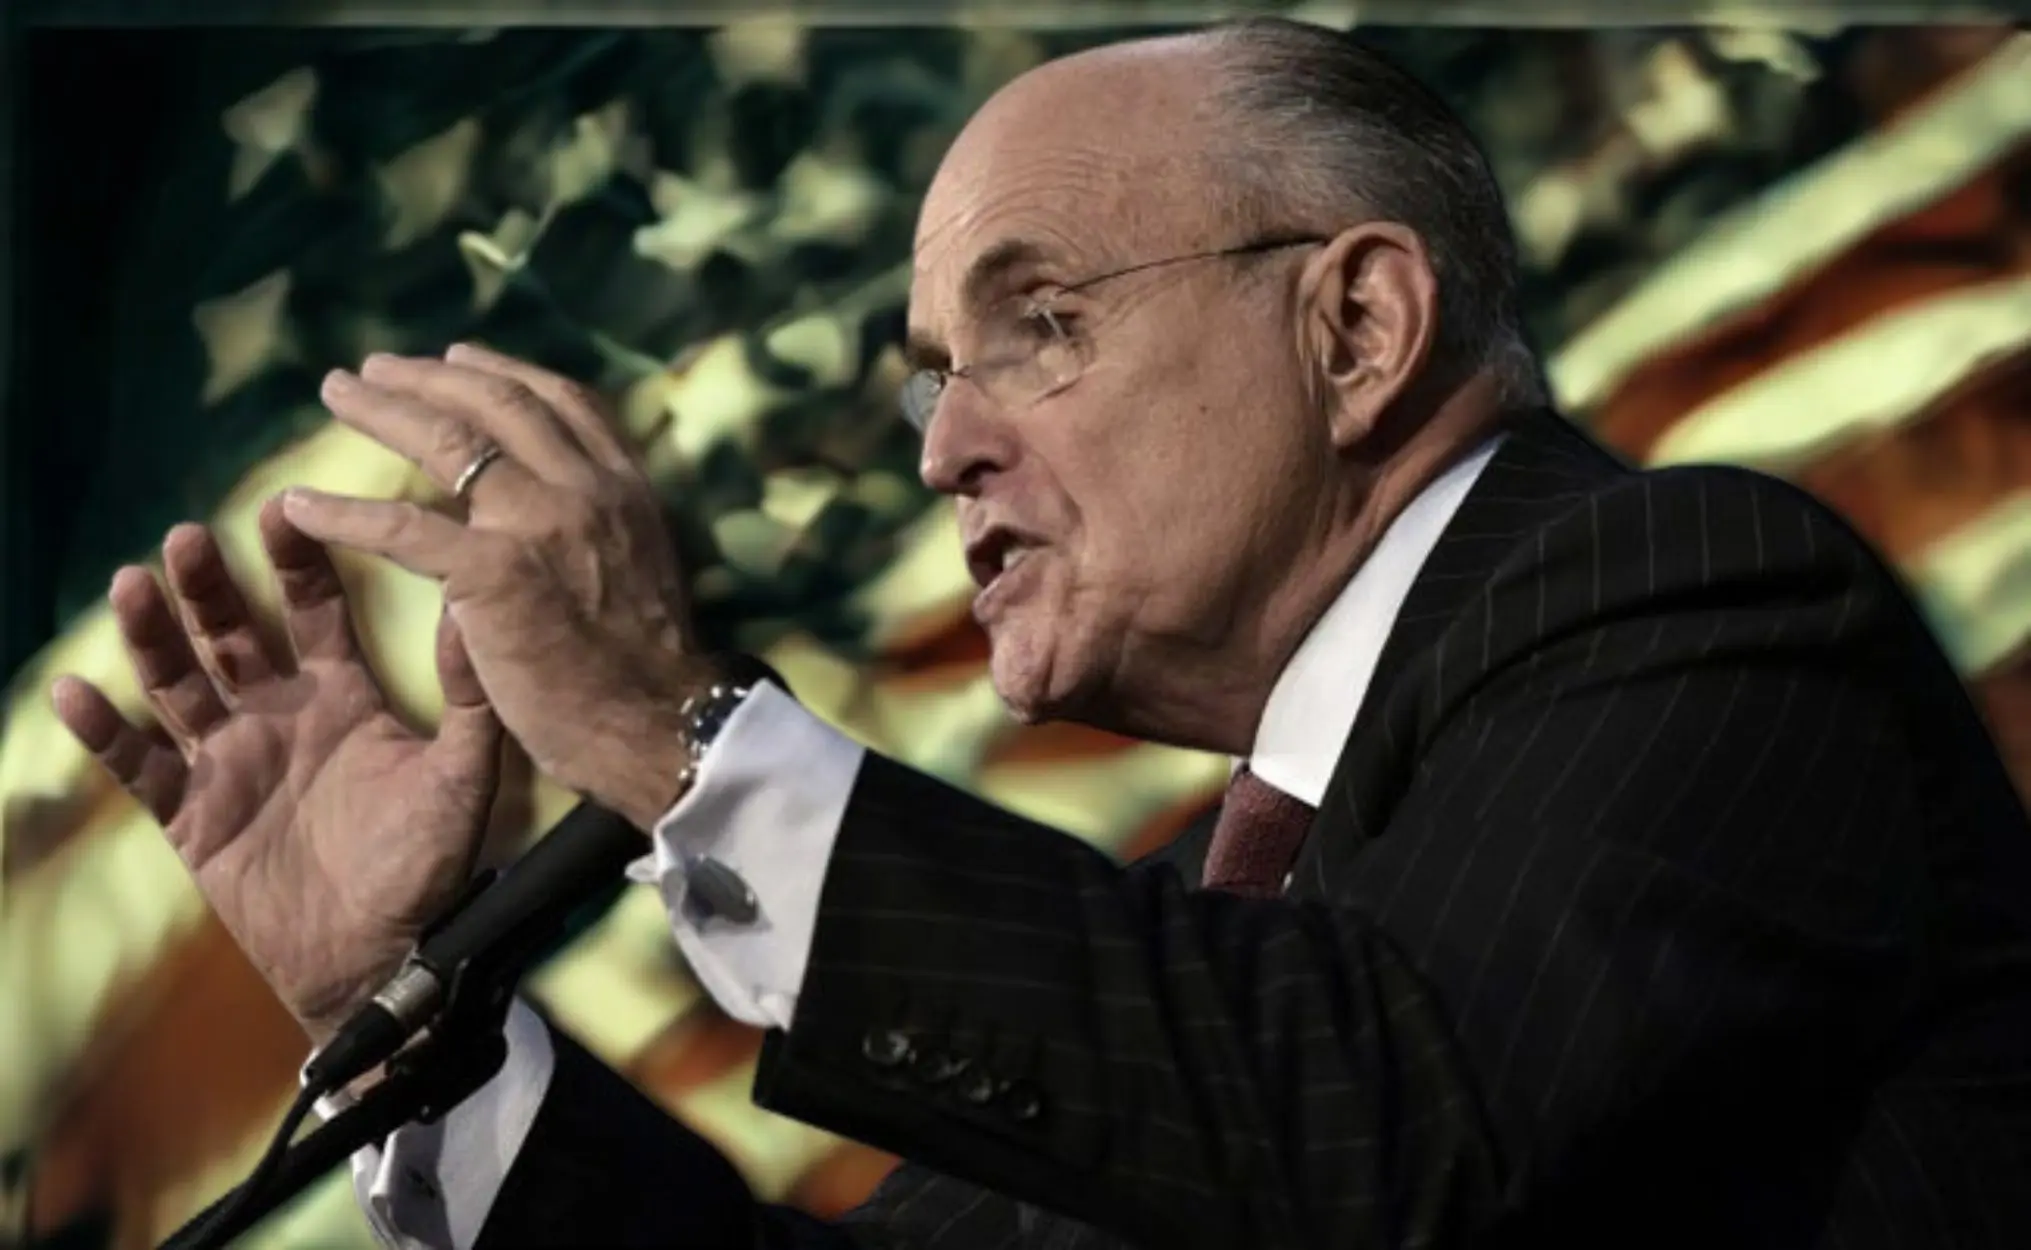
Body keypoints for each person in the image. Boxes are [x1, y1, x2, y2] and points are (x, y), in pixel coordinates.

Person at [51, 17, 2031, 1250]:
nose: (944, 450)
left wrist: (676, 730)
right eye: (932, 375)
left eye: (1039, 324)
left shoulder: (1700, 603)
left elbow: (1383, 1145)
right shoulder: (1208, 932)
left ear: (1355, 326)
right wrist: (402, 1014)